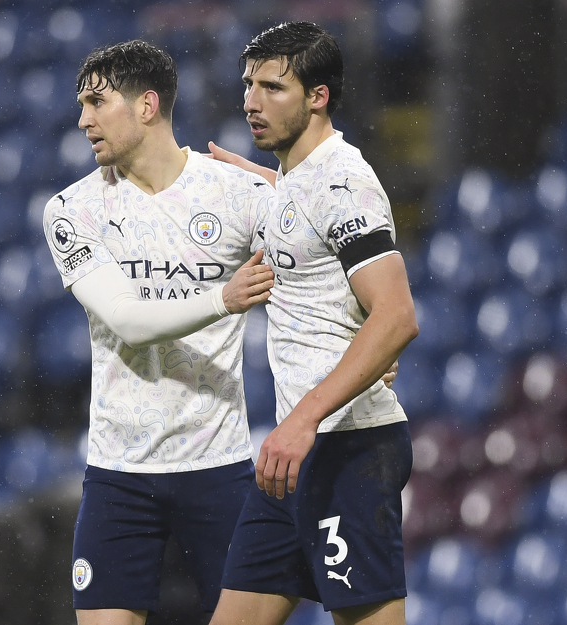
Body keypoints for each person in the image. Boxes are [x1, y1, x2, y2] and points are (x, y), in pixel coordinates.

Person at [42, 40, 278, 625]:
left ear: (147, 105)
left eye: (97, 102)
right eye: (80, 104)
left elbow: (319, 272)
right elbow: (126, 320)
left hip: (217, 467)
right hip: (119, 476)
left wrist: (357, 339)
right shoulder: (73, 210)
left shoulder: (237, 196)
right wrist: (221, 298)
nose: (83, 119)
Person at [207, 22, 420, 625]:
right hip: (293, 455)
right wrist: (265, 182)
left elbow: (398, 316)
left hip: (345, 447)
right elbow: (311, 223)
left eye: (274, 87)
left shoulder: (343, 182)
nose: (252, 100)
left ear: (319, 96)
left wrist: (303, 419)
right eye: (249, 84)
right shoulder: (297, 180)